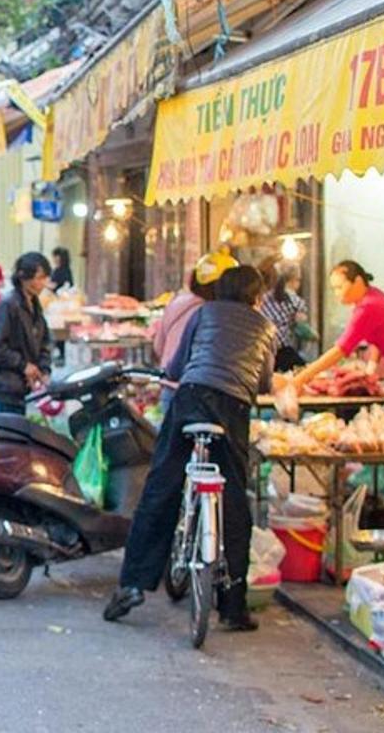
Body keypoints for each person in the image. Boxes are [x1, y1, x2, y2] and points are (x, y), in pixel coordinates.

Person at [105, 265, 274, 631]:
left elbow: (178, 364)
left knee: (161, 487)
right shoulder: (264, 326)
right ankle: (233, 607)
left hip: (190, 398)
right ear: (255, 296)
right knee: (233, 503)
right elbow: (264, 382)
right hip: (233, 409)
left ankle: (132, 584)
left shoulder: (203, 312)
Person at [287, 261, 384, 389]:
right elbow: (381, 336)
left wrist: (300, 379)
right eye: (334, 289)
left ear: (358, 282)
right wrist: (371, 367)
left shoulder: (368, 306)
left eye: (339, 287)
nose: (337, 294)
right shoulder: (373, 295)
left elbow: (340, 350)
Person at [151, 252, 237, 410]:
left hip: (169, 390)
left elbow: (158, 347)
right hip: (199, 393)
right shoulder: (214, 314)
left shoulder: (176, 303)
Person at [0, 253, 53, 413]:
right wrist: (22, 365)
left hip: (20, 391)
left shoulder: (35, 306)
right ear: (23, 277)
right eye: (39, 277)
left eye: (45, 278)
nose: (43, 283)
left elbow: (44, 342)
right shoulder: (7, 305)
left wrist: (43, 369)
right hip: (3, 390)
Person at [260, 266, 309, 371]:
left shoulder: (263, 298)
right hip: (282, 351)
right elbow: (303, 325)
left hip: (262, 350)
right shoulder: (296, 301)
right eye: (298, 280)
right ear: (293, 281)